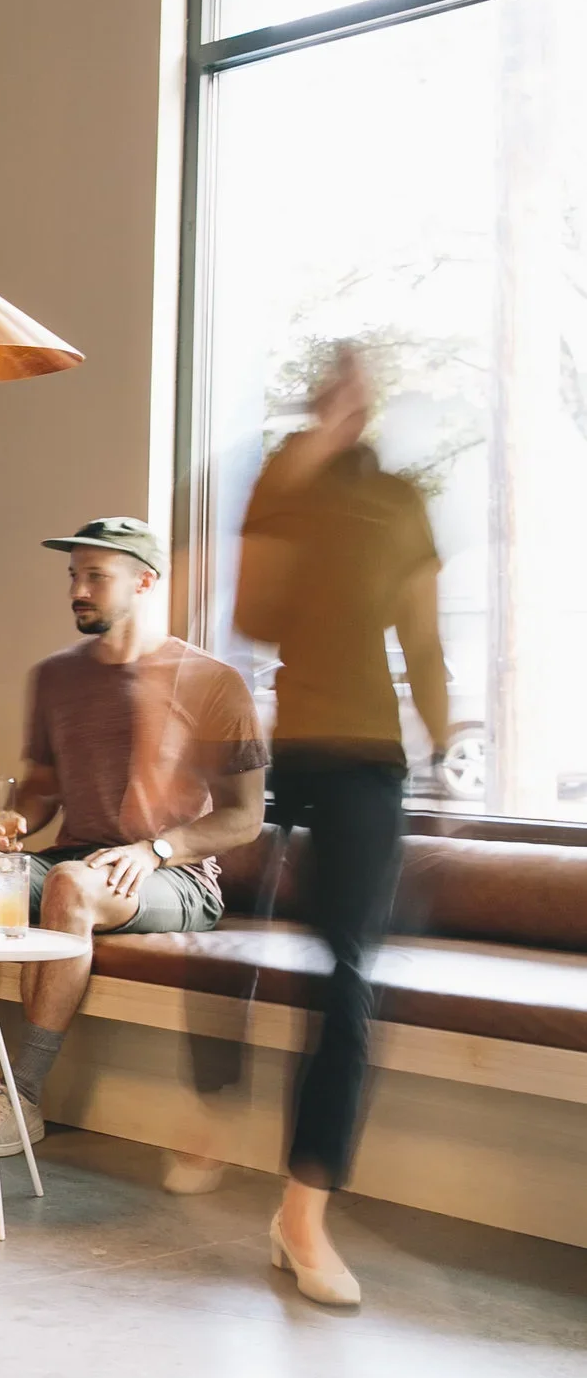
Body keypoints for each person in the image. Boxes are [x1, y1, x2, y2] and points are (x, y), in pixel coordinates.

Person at [0, 518, 268, 1160]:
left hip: (175, 876)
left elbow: (244, 818)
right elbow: (43, 789)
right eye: (74, 576)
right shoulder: (56, 677)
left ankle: (22, 1095)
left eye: (95, 577)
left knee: (74, 886)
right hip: (74, 859)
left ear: (144, 581)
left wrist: (155, 849)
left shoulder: (213, 681)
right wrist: (14, 821)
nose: (78, 590)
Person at [233, 344, 445, 1307]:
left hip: (369, 763)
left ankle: (302, 1214)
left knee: (350, 981)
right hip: (295, 752)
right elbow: (257, 613)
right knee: (225, 950)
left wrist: (448, 742)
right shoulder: (284, 482)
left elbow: (424, 637)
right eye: (332, 389)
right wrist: (307, 465)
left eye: (360, 390)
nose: (348, 400)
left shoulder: (400, 502)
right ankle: (211, 1111)